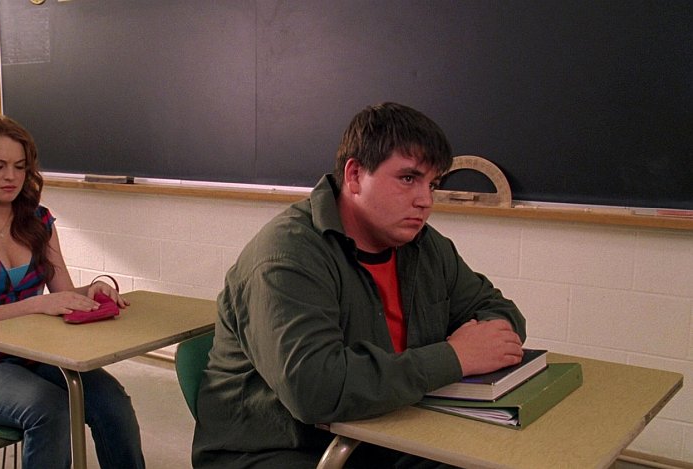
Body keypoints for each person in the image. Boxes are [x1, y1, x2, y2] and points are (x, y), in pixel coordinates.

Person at [192, 102, 526, 468]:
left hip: (383, 433)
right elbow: (315, 390)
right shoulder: (286, 255)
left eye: (432, 184)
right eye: (408, 179)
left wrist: (488, 341)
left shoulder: (425, 246)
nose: (425, 201)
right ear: (354, 176)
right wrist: (456, 356)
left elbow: (499, 311)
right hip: (279, 450)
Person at [0, 114, 145, 469]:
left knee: (112, 401)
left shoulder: (39, 221)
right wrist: (40, 303)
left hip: (36, 354)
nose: (11, 176)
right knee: (50, 409)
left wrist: (92, 290)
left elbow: (62, 294)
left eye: (20, 166)